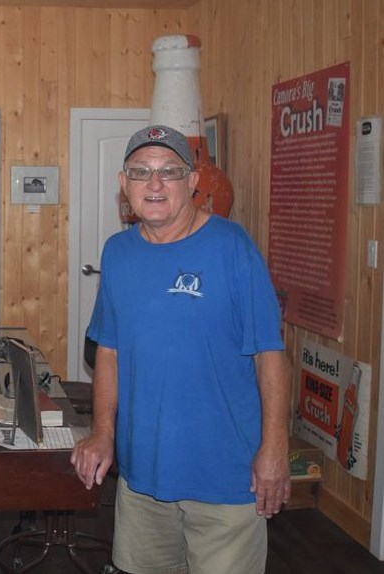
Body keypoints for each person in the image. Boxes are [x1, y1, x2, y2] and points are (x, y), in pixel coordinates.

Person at [70, 124, 291, 574]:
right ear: (123, 184)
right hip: (143, 479)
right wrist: (101, 433)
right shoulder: (118, 253)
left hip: (227, 477)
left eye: (169, 171)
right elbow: (109, 351)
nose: (154, 184)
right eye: (141, 171)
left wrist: (275, 447)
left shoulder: (232, 247)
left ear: (192, 182)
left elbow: (270, 352)